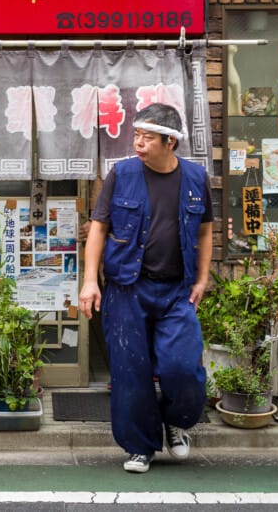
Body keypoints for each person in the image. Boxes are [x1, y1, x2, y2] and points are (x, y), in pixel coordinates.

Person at [78, 102, 213, 474]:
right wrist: (91, 281)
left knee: (182, 369)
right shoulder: (121, 174)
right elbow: (99, 228)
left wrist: (202, 278)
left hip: (177, 291)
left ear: (170, 142)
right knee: (130, 371)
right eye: (136, 135)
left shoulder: (196, 177)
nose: (138, 142)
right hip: (126, 287)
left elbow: (204, 230)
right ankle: (140, 446)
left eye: (146, 137)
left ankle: (176, 421)